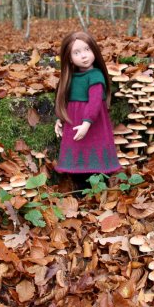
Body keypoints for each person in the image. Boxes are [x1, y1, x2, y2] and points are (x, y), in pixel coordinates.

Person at [54, 31, 121, 191]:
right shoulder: (70, 77)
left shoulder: (96, 76)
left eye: (87, 50)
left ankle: (98, 189)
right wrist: (60, 119)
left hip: (93, 122)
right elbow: (66, 100)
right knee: (76, 153)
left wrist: (87, 122)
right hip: (73, 122)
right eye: (77, 53)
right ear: (69, 58)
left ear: (94, 51)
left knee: (96, 152)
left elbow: (96, 101)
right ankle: (80, 189)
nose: (83, 56)